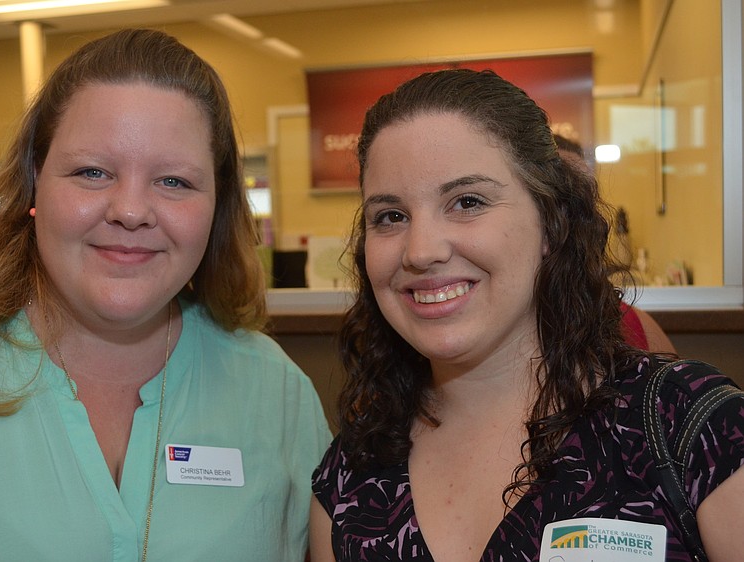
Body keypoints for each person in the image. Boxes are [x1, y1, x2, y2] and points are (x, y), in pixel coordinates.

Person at [0, 29, 330, 561]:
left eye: (174, 181)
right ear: (35, 182)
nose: (130, 211)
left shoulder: (275, 394)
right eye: (92, 172)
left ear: (217, 205)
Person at [309, 68, 744, 561]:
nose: (421, 251)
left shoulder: (692, 428)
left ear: (550, 225)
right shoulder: (349, 479)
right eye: (391, 216)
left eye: (467, 202)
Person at [553, 133, 677, 355]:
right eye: (560, 199)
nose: (579, 217)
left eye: (586, 198)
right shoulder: (493, 335)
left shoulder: (636, 329)